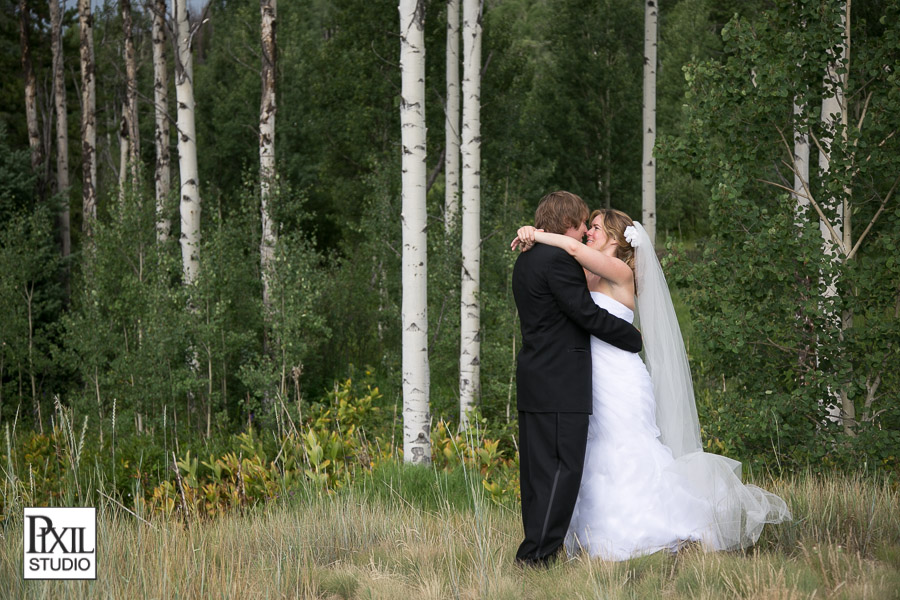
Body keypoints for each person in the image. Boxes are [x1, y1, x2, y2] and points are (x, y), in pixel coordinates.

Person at [513, 209, 791, 561]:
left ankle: (648, 528)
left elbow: (570, 249)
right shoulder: (587, 274)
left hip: (620, 378)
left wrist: (536, 234)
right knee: (595, 453)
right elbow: (563, 281)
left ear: (615, 239)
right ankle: (593, 536)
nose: (588, 233)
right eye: (588, 228)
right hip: (587, 378)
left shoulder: (619, 271)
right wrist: (530, 237)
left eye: (596, 228)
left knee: (628, 448)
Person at [511, 192, 643, 568]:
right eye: (584, 222)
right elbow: (586, 314)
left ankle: (537, 547)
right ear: (568, 222)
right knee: (563, 469)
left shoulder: (526, 259)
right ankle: (537, 556)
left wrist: (532, 234)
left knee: (537, 473)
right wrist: (634, 339)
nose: (586, 229)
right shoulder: (558, 261)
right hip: (561, 383)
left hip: (536, 376)